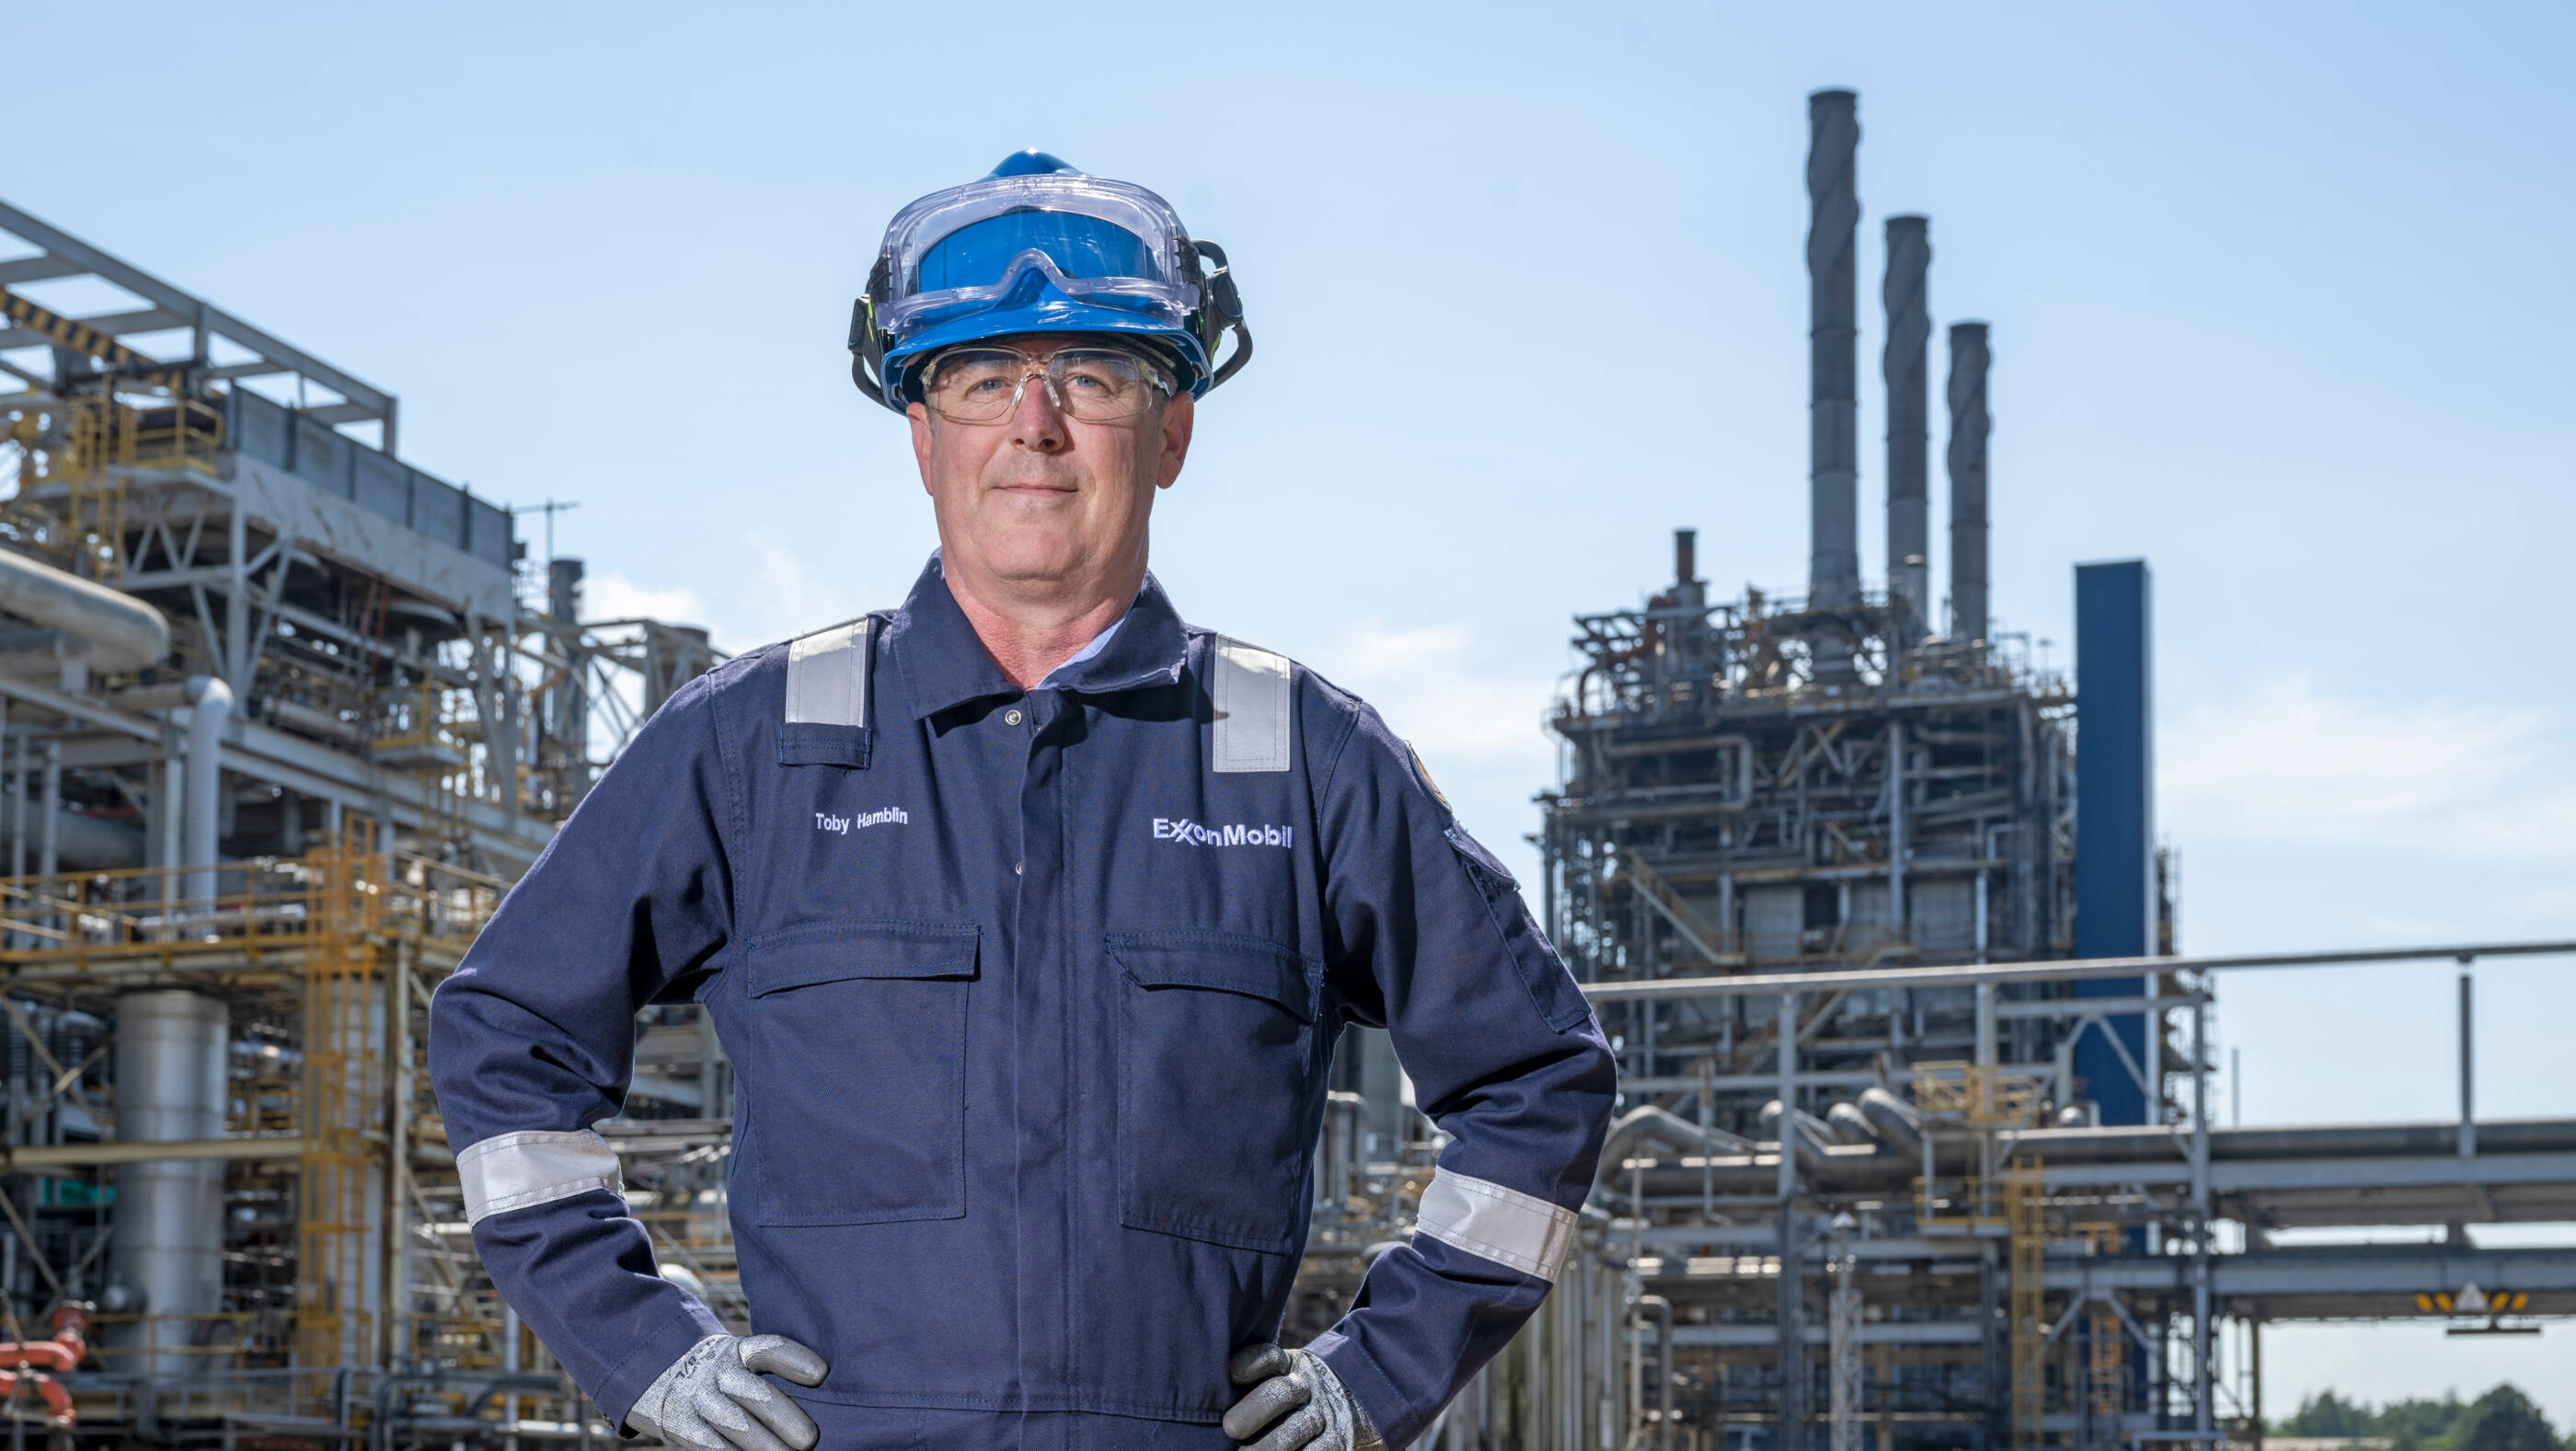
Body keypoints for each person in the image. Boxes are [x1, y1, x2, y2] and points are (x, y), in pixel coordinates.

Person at [429, 151, 1615, 1451]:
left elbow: (1538, 1079)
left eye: (1093, 377)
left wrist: (1380, 1372)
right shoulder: (757, 744)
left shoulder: (1301, 758)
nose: (1033, 425)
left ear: (1173, 431)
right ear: (922, 433)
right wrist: (639, 1344)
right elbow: (506, 1032)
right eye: (981, 377)